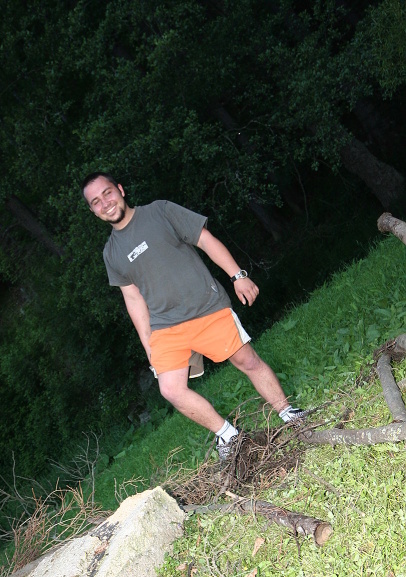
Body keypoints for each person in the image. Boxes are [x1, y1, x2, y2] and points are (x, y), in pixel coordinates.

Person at [82, 172, 306, 459]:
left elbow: (206, 240)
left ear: (120, 190)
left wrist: (237, 276)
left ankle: (289, 413)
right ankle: (229, 436)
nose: (105, 203)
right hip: (165, 326)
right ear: (93, 211)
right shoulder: (111, 253)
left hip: (205, 308)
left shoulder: (160, 211)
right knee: (171, 390)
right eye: (96, 202)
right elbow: (133, 299)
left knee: (247, 360)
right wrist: (148, 345)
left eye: (108, 193)